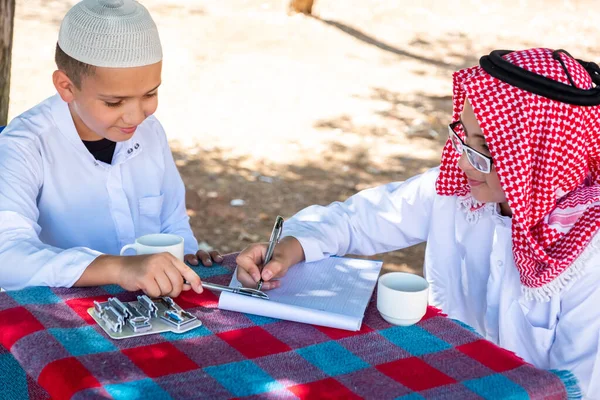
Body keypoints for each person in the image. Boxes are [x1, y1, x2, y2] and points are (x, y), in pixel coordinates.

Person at [236, 48, 600, 396]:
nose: (462, 164)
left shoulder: (587, 252)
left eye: (488, 149)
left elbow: (577, 385)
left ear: (540, 159)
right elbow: (357, 221)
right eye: (465, 139)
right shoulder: (459, 190)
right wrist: (291, 247)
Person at [0, 0, 220, 297]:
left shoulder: (150, 132)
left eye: (150, 94)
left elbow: (173, 221)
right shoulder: (25, 144)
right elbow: (7, 255)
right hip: (65, 316)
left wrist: (186, 256)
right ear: (66, 87)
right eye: (114, 102)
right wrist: (120, 268)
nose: (135, 115)